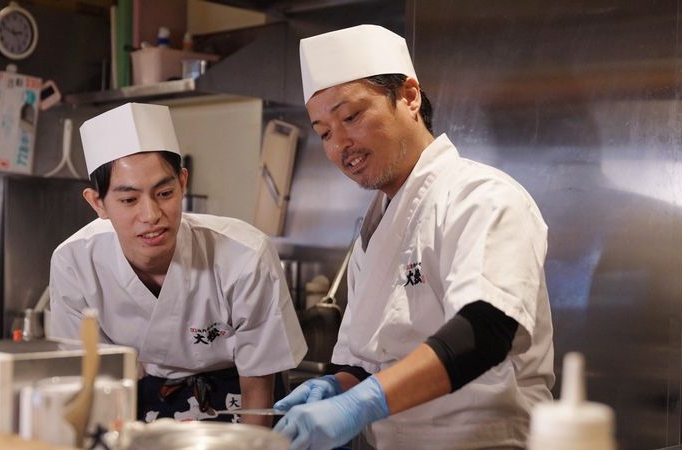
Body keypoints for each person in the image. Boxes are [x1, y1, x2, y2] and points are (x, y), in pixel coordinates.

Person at [273, 25, 554, 449]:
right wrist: (339, 386)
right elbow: (374, 361)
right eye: (325, 132)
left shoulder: (481, 197)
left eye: (351, 117)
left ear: (408, 97)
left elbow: (485, 331)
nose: (341, 145)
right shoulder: (374, 229)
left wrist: (363, 403)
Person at [49, 102, 307, 427]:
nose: (151, 215)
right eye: (129, 200)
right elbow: (92, 383)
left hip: (236, 401)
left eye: (164, 193)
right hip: (141, 402)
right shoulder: (75, 262)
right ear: (97, 202)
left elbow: (258, 389)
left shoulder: (245, 256)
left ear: (183, 182)